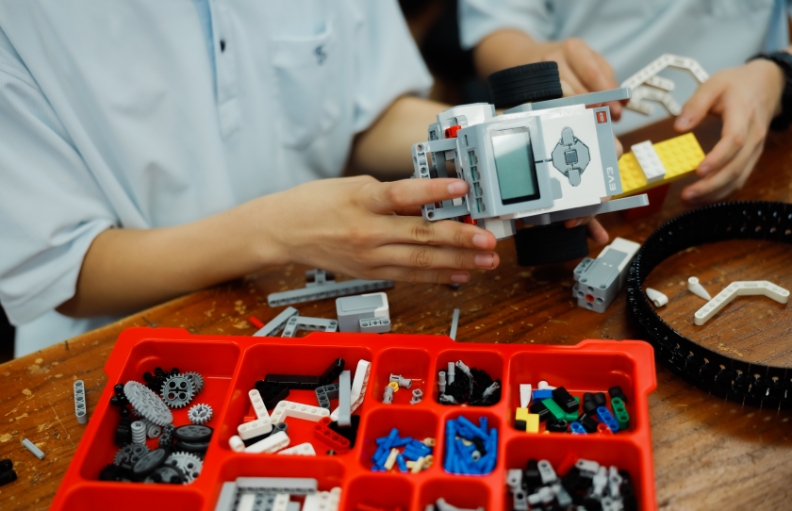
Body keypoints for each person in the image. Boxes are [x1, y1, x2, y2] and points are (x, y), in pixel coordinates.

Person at [0, 0, 505, 356]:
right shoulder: (22, 20)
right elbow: (66, 273)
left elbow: (365, 117)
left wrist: (492, 137)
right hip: (116, 340)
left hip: (309, 294)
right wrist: (280, 231)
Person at [459, 0, 792, 205]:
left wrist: (779, 73)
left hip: (745, 129)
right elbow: (496, 25)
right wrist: (534, 66)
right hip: (576, 114)